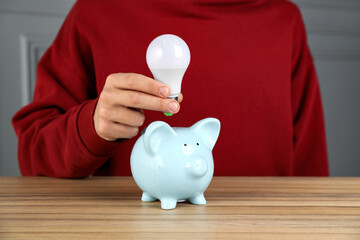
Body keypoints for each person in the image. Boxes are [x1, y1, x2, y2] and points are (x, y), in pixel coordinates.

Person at [12, 0, 329, 178]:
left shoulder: (283, 20)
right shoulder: (96, 12)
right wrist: (91, 126)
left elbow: (311, 167)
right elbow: (34, 155)